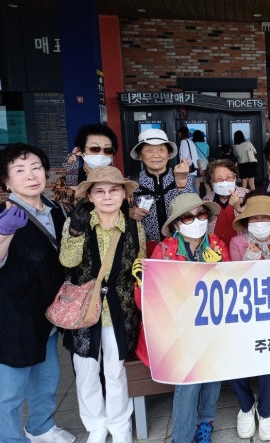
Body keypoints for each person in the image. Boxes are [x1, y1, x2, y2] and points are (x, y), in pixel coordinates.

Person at [59, 167, 144, 443]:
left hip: (120, 308)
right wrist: (74, 232)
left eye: (114, 190)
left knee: (116, 370)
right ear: (90, 196)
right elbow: (67, 262)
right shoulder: (77, 223)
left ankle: (120, 424)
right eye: (100, 191)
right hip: (84, 308)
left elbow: (139, 263)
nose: (107, 196)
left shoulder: (134, 227)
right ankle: (96, 424)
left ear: (124, 194)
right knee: (86, 370)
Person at [0, 143, 75, 443]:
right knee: (10, 389)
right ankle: (10, 438)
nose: (30, 175)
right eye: (19, 170)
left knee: (47, 377)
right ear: (6, 181)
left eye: (35, 167)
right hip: (13, 316)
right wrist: (4, 234)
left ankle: (41, 427)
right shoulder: (3, 214)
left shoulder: (57, 210)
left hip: (47, 314)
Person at [147, 193, 229, 443]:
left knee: (213, 375)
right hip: (179, 330)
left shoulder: (217, 246)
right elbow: (149, 300)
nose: (196, 220)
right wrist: (142, 282)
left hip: (212, 325)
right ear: (176, 224)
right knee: (188, 381)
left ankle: (206, 423)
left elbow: (232, 287)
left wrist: (220, 267)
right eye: (187, 217)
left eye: (201, 214)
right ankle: (181, 437)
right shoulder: (164, 250)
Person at [228, 193, 270, 441]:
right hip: (244, 312)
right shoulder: (237, 243)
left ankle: (265, 409)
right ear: (246, 221)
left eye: (265, 218)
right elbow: (231, 280)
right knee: (232, 353)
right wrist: (247, 262)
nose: (259, 223)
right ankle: (246, 405)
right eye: (254, 218)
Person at [128, 128, 192, 244]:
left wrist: (182, 182)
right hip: (146, 246)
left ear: (168, 154)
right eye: (149, 150)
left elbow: (191, 210)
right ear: (140, 155)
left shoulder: (182, 175)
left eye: (162, 150)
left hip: (179, 244)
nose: (156, 155)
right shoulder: (131, 182)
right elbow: (117, 213)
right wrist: (129, 213)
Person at [203, 159, 248, 247]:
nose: (224, 181)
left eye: (228, 177)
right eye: (219, 178)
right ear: (212, 182)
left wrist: (240, 209)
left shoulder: (248, 196)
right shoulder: (206, 201)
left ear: (235, 178)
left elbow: (257, 225)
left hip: (242, 250)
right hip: (214, 251)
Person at [63, 124, 119, 188]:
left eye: (108, 150)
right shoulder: (64, 183)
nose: (101, 154)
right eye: (94, 148)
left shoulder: (121, 182)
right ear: (80, 151)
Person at [178, 126, 200, 192]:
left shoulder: (183, 142)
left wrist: (181, 168)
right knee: (193, 186)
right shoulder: (191, 141)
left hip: (187, 168)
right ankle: (196, 198)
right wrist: (200, 168)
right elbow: (196, 157)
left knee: (189, 187)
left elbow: (184, 157)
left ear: (181, 133)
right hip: (193, 167)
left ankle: (195, 198)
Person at [192, 130, 210, 194]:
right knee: (207, 185)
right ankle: (208, 199)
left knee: (197, 185)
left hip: (197, 166)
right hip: (205, 166)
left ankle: (197, 199)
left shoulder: (193, 145)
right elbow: (207, 155)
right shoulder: (206, 145)